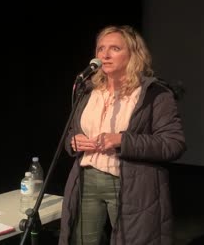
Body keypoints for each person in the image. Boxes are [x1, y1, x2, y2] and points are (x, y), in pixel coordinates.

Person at [58, 25, 186, 245]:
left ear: (134, 54)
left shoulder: (154, 94)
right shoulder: (88, 91)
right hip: (86, 179)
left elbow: (173, 144)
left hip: (131, 183)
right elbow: (72, 131)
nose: (104, 55)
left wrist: (122, 140)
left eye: (114, 48)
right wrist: (73, 141)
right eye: (100, 49)